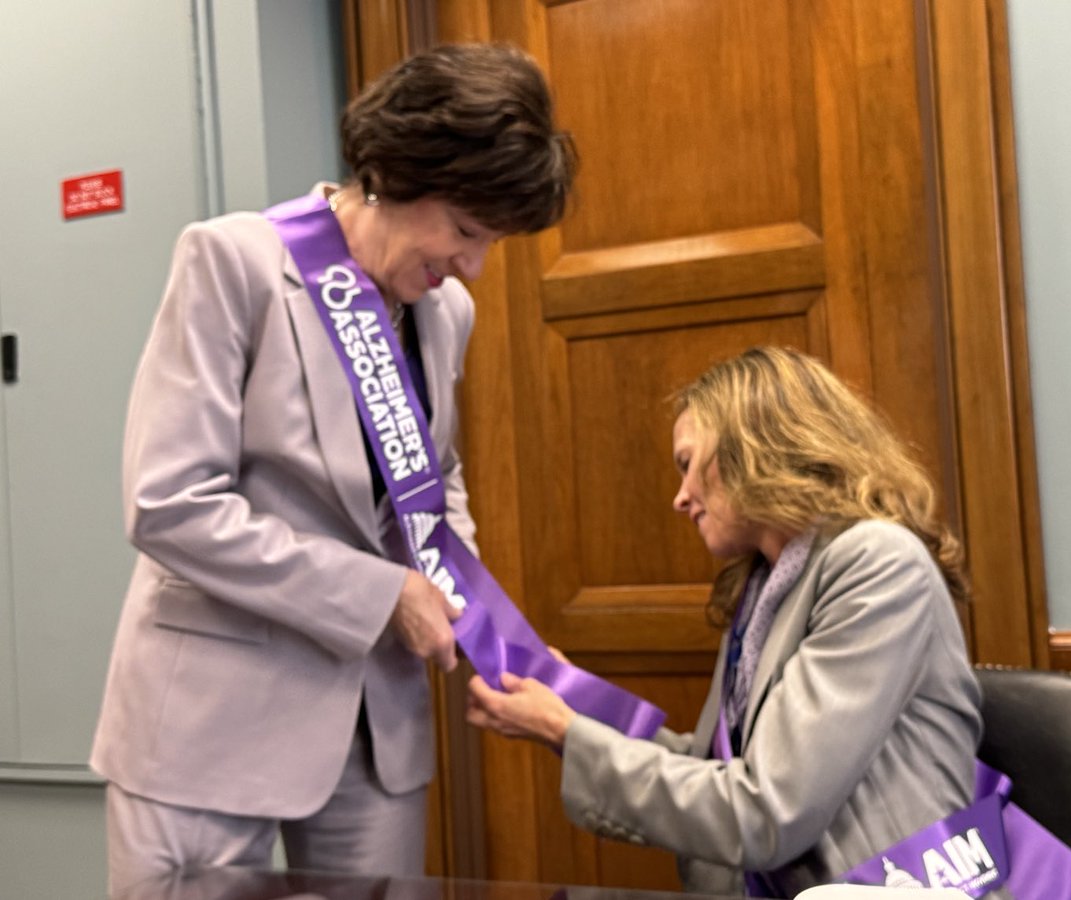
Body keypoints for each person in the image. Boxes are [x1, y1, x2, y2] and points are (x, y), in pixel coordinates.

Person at [91, 42, 576, 895]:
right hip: (208, 719)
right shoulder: (232, 262)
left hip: (374, 730)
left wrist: (465, 603)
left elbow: (435, 480)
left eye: (491, 241)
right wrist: (381, 594)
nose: (473, 267)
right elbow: (169, 504)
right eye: (465, 231)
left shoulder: (444, 310)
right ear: (390, 173)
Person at [467, 346, 984, 898]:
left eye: (688, 465)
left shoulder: (877, 561)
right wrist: (574, 712)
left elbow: (766, 810)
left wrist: (564, 730)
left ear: (753, 447)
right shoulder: (766, 584)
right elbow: (712, 771)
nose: (680, 498)